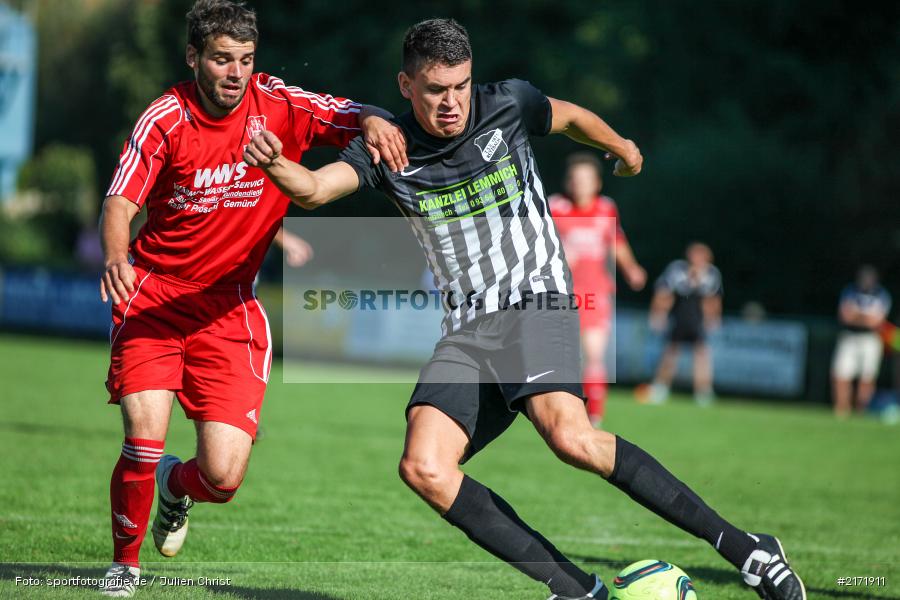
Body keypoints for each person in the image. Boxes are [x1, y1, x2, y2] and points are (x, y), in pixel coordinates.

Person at [243, 18, 805, 600]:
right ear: (406, 86)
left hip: (535, 299)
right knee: (425, 467)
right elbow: (314, 189)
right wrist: (273, 162)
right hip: (467, 329)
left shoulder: (507, 103)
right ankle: (580, 591)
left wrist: (620, 147)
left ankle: (747, 549)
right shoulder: (387, 149)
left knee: (571, 437)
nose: (452, 102)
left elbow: (572, 117)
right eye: (435, 89)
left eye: (460, 86)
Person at [97, 0, 406, 595]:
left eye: (245, 59)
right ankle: (124, 566)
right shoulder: (165, 118)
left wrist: (372, 120)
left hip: (230, 308)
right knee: (143, 437)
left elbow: (354, 113)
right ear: (193, 58)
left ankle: (175, 487)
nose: (235, 72)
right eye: (222, 59)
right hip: (154, 298)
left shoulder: (279, 105)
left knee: (222, 477)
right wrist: (116, 256)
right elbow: (120, 203)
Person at [549, 152, 646, 427]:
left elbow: (616, 241)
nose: (580, 184)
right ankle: (562, 413)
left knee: (594, 354)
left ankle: (594, 418)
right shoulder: (555, 207)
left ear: (597, 183)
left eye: (586, 179)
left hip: (595, 291)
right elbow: (537, 245)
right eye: (575, 179)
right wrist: (559, 255)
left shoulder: (606, 208)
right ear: (568, 182)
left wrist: (631, 268)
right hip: (559, 294)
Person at [647, 243, 722, 406]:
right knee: (670, 353)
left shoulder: (711, 274)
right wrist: (659, 314)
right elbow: (663, 293)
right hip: (679, 317)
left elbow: (713, 300)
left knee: (702, 355)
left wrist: (713, 318)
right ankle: (660, 387)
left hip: (698, 321)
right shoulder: (676, 270)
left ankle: (703, 392)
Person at [832, 265, 891, 417]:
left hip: (870, 339)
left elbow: (876, 322)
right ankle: (842, 410)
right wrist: (865, 317)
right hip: (849, 336)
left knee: (867, 377)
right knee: (841, 374)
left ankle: (862, 411)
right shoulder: (850, 291)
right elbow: (845, 316)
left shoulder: (881, 294)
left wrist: (857, 315)